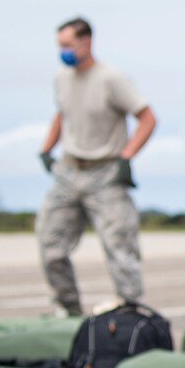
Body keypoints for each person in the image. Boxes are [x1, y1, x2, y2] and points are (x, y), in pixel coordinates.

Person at [37, 17, 157, 315]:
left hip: (105, 172)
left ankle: (130, 314)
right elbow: (62, 114)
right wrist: (46, 148)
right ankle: (68, 314)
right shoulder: (61, 78)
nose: (62, 52)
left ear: (86, 41)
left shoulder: (111, 78)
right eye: (59, 46)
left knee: (120, 247)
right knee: (50, 243)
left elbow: (147, 118)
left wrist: (127, 156)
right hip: (69, 170)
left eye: (67, 45)